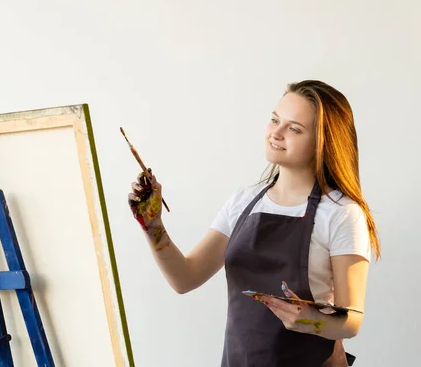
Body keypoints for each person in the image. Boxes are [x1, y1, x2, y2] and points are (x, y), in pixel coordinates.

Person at [127, 80, 380, 367]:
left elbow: (352, 321)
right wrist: (152, 225)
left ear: (324, 141)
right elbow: (185, 278)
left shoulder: (341, 213)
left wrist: (312, 319)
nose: (276, 133)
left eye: (294, 129)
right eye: (275, 120)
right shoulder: (242, 202)